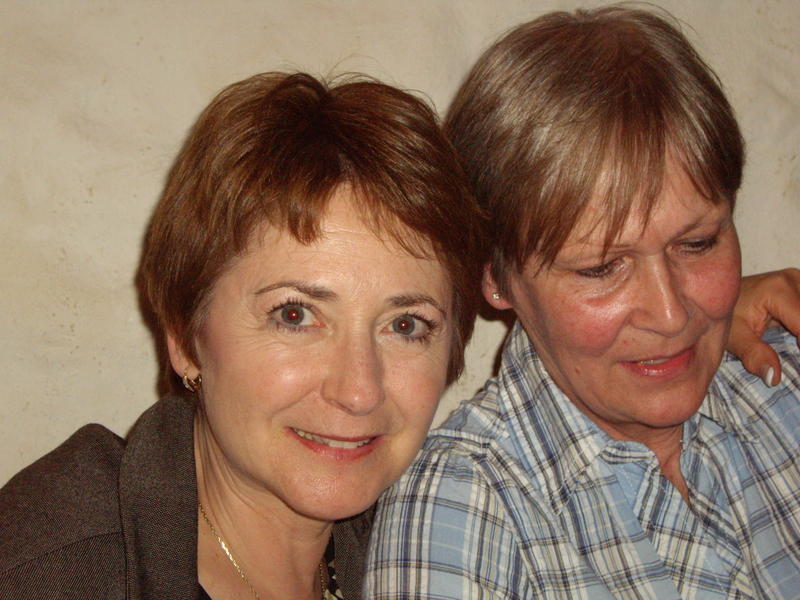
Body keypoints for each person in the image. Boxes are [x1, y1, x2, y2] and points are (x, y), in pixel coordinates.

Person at [366, 6, 800, 599]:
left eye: (697, 244)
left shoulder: (779, 384)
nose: (670, 314)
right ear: (496, 277)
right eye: (600, 268)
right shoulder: (463, 508)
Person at [0, 72, 485, 599]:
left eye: (405, 325)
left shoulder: (436, 544)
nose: (358, 390)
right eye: (295, 315)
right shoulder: (50, 573)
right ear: (185, 337)